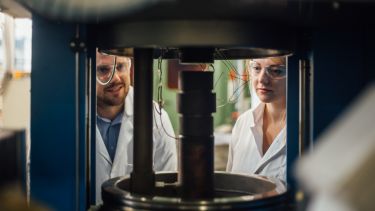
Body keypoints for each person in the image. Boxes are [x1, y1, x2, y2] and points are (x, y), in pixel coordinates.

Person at [95, 51, 177, 203]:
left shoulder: (157, 119)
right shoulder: (74, 118)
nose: (115, 77)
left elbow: (167, 189)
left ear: (130, 66)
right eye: (103, 70)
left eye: (120, 67)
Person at [226, 56, 287, 182]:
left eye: (276, 71)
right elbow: (230, 183)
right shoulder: (243, 122)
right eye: (256, 68)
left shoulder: (307, 126)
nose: (262, 79)